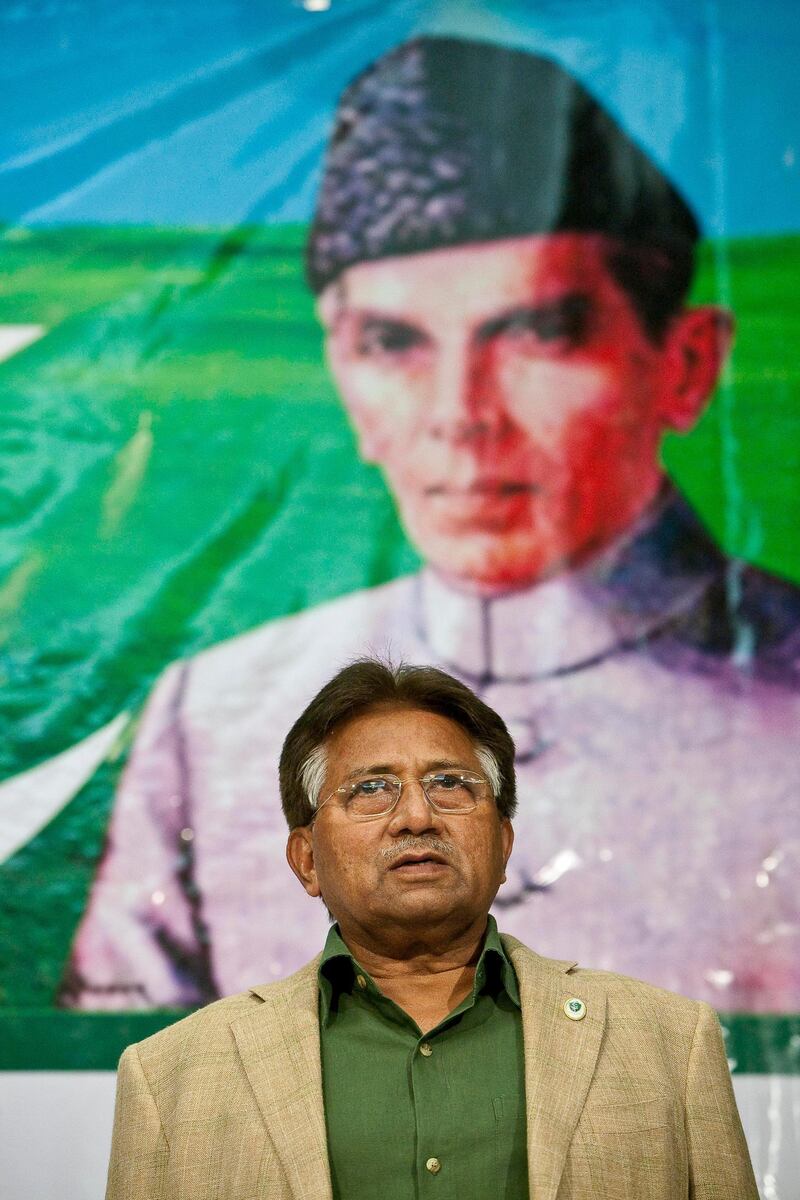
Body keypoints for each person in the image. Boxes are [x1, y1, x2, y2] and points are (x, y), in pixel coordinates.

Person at [65, 36, 800, 1011]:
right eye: (390, 342)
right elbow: (132, 1113)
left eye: (535, 332)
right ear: (339, 373)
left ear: (684, 364)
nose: (460, 412)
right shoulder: (210, 723)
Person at [105, 659, 758, 1200]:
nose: (416, 816)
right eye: (370, 790)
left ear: (502, 843)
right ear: (306, 860)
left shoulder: (668, 1046)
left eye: (451, 784)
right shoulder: (172, 1080)